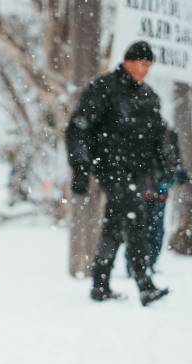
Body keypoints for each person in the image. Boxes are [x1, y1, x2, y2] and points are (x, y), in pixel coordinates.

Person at [66, 40, 172, 306]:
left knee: (114, 226)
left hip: (137, 171)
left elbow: (160, 136)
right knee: (135, 218)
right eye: (142, 64)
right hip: (110, 166)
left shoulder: (149, 96)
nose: (146, 70)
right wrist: (80, 167)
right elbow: (78, 127)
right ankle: (145, 285)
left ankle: (100, 285)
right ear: (127, 61)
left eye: (150, 65)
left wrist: (167, 169)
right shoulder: (104, 88)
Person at [125, 127, 190, 275]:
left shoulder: (167, 135)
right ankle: (137, 265)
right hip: (145, 191)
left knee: (151, 230)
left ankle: (145, 264)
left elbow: (173, 163)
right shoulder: (144, 134)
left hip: (154, 191)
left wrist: (176, 175)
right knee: (145, 230)